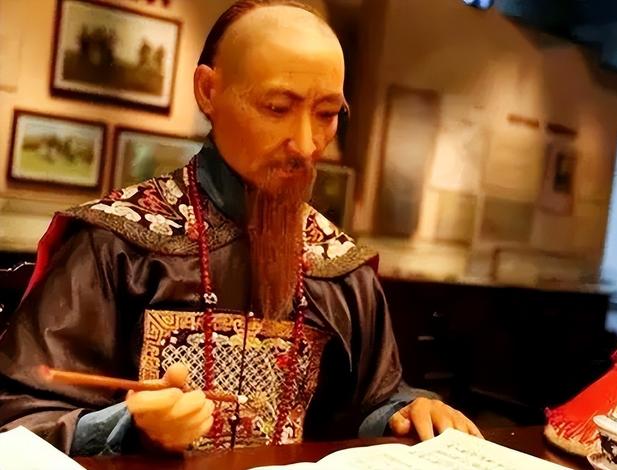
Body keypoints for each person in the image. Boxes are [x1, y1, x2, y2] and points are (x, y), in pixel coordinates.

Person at [0, 0, 481, 455]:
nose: (306, 144)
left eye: (327, 114)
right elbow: (19, 421)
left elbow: (371, 401)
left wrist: (405, 412)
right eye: (277, 108)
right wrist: (126, 427)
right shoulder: (116, 244)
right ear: (208, 92)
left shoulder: (341, 269)